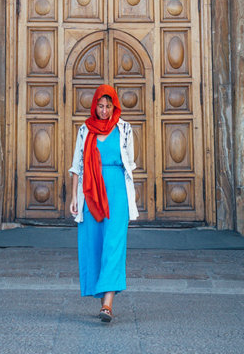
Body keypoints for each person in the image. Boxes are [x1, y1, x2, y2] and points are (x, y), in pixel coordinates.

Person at [68, 84, 139, 324]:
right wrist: (74, 197)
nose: (105, 110)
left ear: (114, 106)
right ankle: (103, 301)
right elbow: (77, 164)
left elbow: (129, 164)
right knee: (95, 243)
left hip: (117, 190)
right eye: (100, 105)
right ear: (94, 105)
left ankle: (108, 305)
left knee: (114, 244)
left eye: (109, 106)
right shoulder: (84, 130)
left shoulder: (125, 129)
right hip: (90, 191)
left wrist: (132, 196)